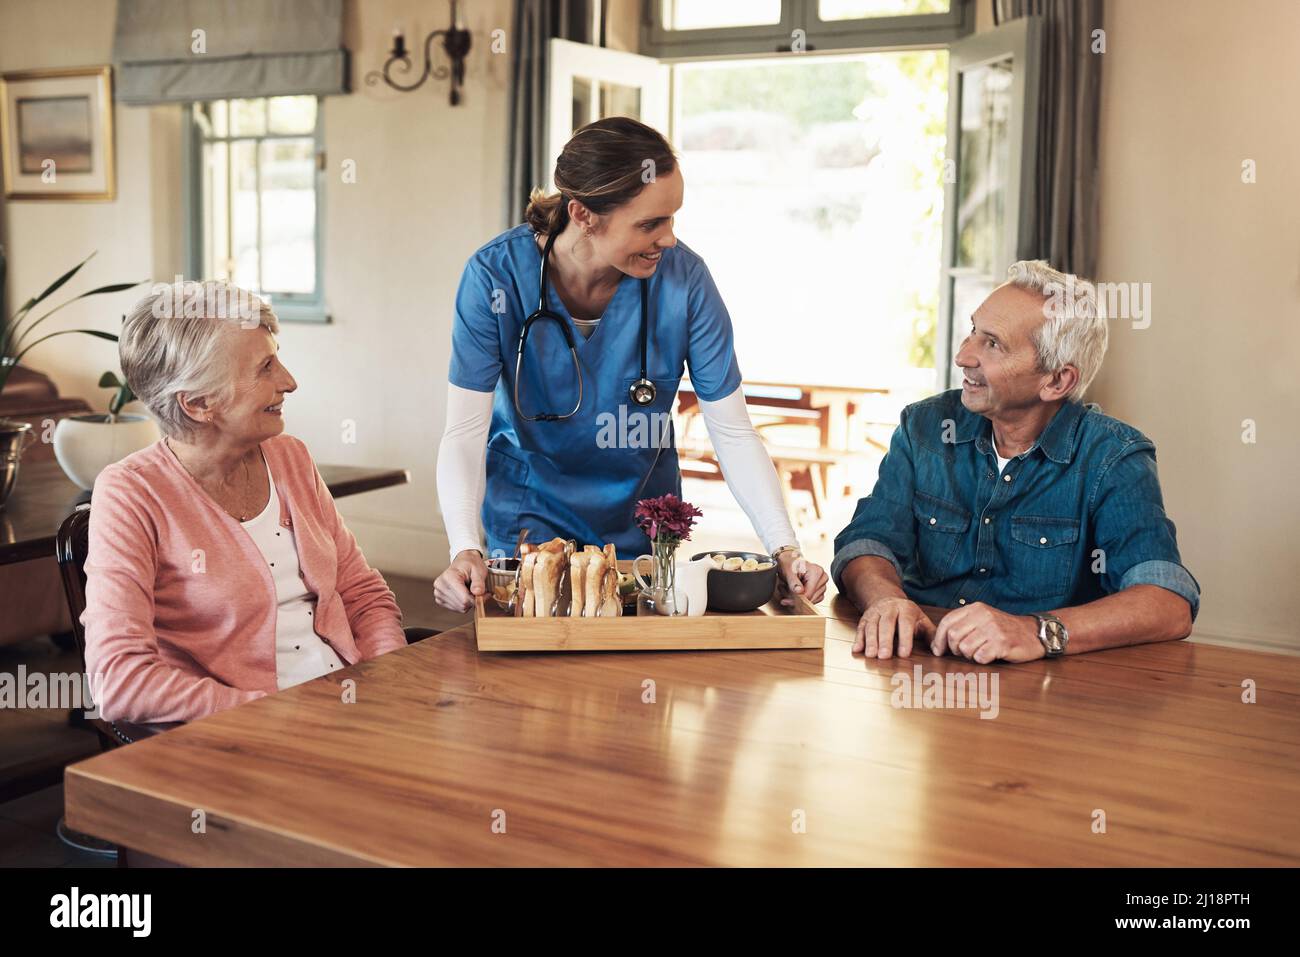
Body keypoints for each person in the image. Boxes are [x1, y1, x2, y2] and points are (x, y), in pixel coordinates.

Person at [434, 117, 828, 612]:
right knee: (530, 682)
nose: (668, 239)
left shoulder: (685, 281)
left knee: (634, 680)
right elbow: (464, 431)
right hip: (528, 530)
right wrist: (463, 547)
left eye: (672, 218)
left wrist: (783, 545)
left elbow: (731, 431)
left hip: (640, 532)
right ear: (583, 214)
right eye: (649, 223)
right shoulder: (495, 277)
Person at [832, 261, 1199, 663]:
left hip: (1047, 692)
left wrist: (1035, 630)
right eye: (973, 330)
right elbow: (867, 541)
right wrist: (885, 598)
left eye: (993, 344)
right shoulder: (925, 426)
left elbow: (1167, 602)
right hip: (916, 666)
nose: (963, 356)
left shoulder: (1113, 457)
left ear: (1057, 381)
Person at [82, 281, 408, 723]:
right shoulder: (131, 494)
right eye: (265, 367)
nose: (289, 381)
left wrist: (388, 683)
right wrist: (277, 715)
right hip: (243, 740)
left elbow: (363, 596)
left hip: (351, 711)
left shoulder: (289, 456)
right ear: (199, 403)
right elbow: (119, 681)